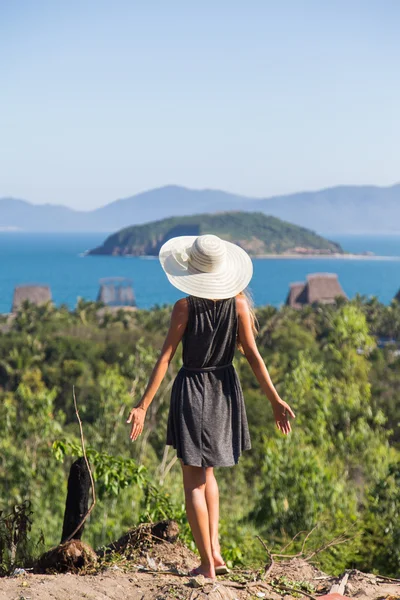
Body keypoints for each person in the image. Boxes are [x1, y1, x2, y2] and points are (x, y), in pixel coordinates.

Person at [127, 234, 295, 580]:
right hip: (225, 391)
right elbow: (253, 357)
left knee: (193, 482)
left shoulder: (185, 308)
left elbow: (165, 359)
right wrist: (275, 400)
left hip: (193, 390)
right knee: (209, 474)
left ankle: (206, 565)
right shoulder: (239, 306)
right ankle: (214, 552)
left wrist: (143, 405)